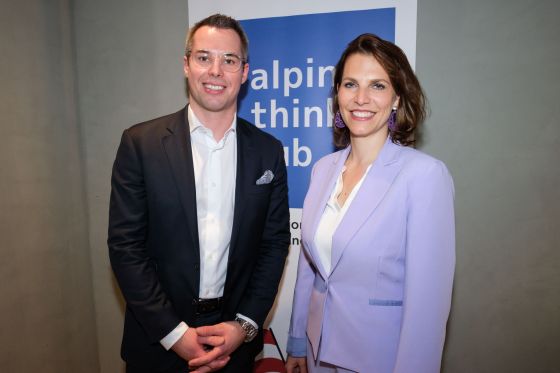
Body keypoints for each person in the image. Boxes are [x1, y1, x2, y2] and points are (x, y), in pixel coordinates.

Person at [108, 14, 290, 373]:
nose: (216, 71)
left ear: (245, 71)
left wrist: (245, 325)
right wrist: (175, 334)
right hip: (156, 346)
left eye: (229, 60)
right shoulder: (140, 144)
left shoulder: (269, 151)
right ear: (187, 65)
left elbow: (274, 244)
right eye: (204, 57)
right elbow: (126, 247)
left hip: (233, 348)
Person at [285, 34, 455, 373]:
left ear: (396, 98)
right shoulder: (322, 170)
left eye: (377, 85)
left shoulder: (424, 176)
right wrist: (297, 343)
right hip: (317, 353)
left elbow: (427, 306)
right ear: (338, 95)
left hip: (381, 359)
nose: (361, 98)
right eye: (350, 84)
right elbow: (310, 268)